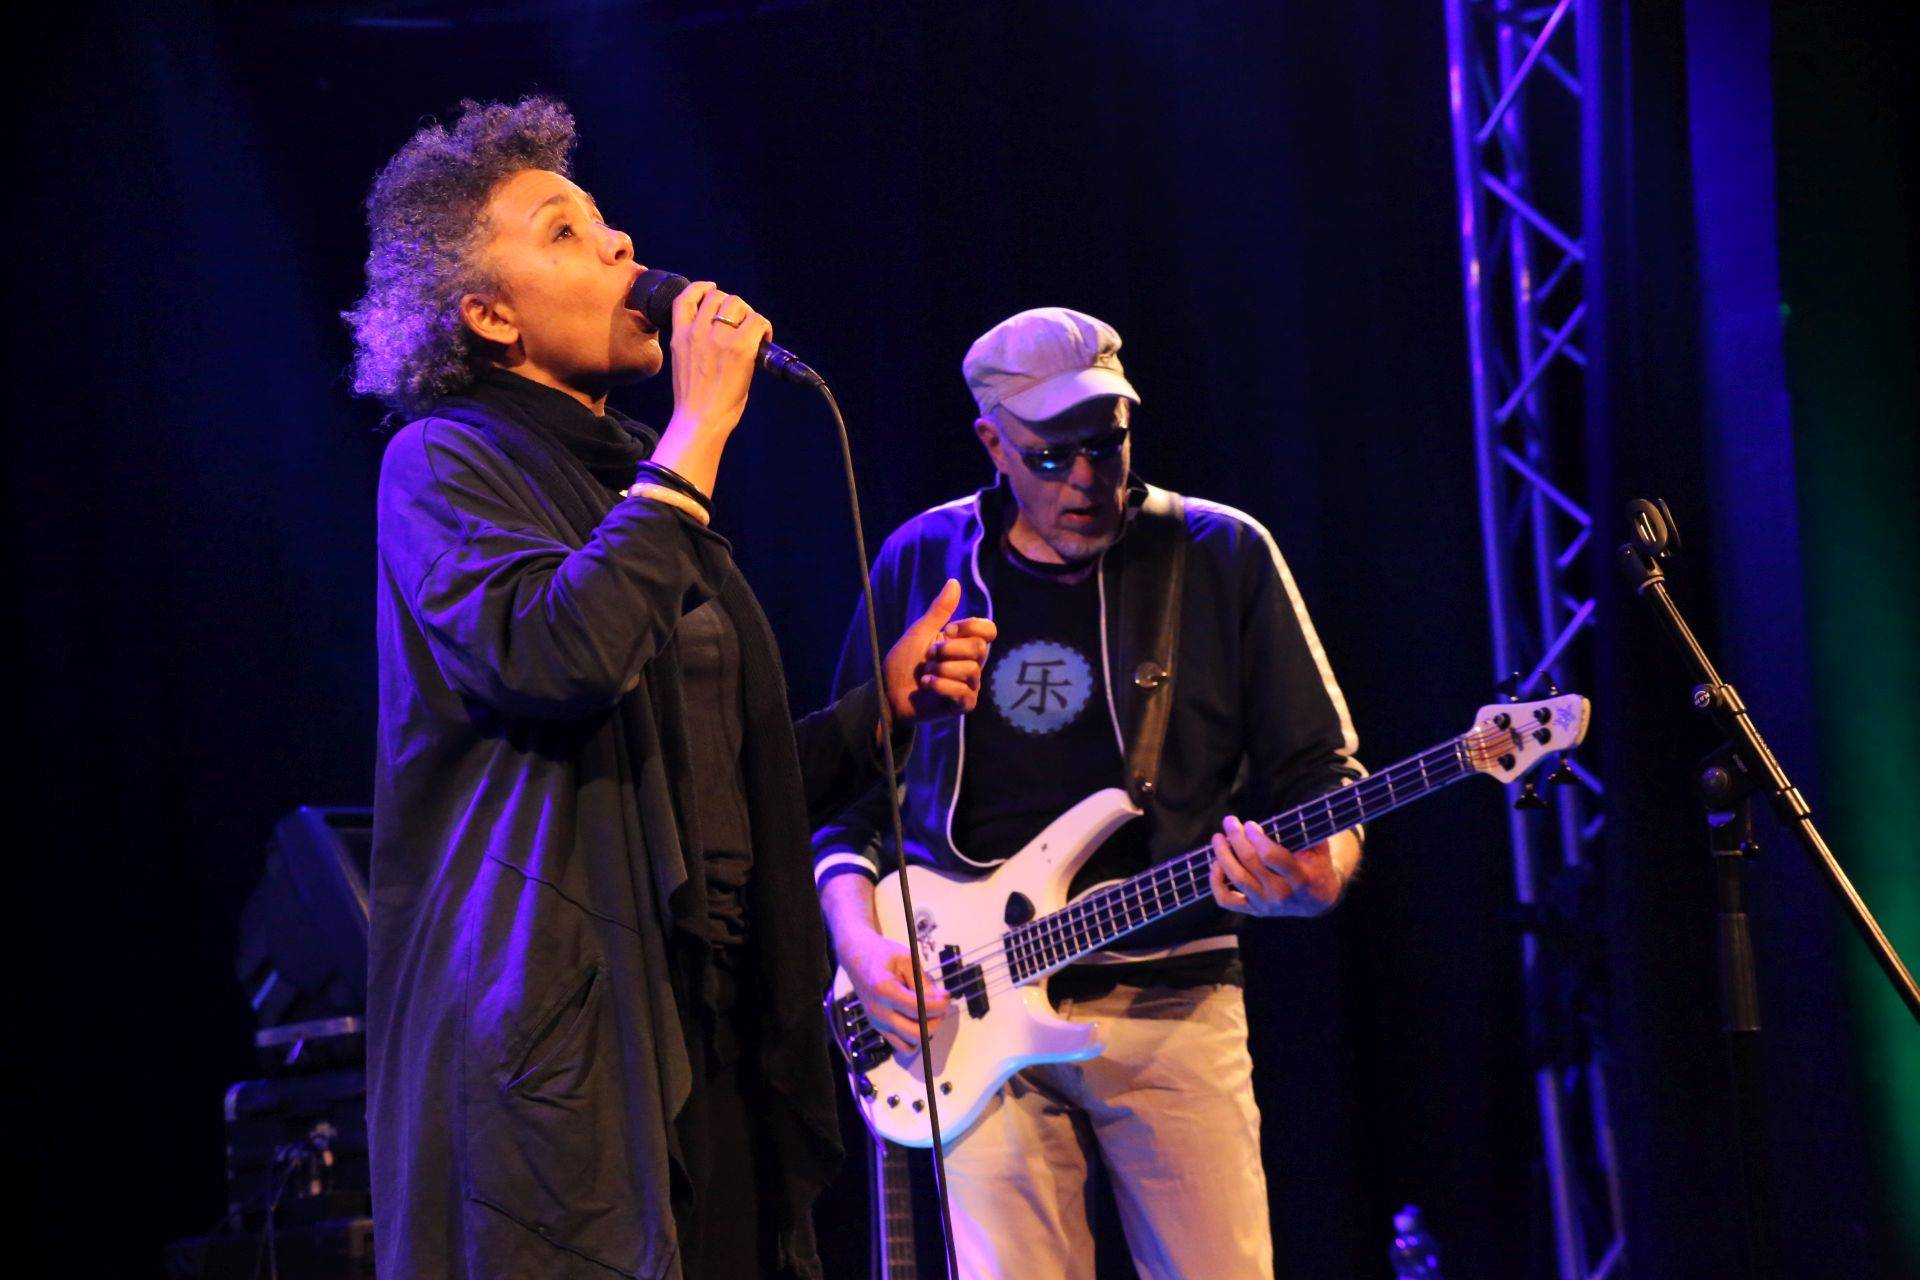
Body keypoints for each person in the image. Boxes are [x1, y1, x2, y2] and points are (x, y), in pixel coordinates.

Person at [349, 97, 994, 1280]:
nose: (620, 245)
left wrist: (881, 711)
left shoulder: (629, 486)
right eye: (562, 231)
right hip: (572, 1049)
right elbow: (558, 653)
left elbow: (707, 788)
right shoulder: (443, 461)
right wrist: (696, 429)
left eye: (604, 220)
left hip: (713, 1015)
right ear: (488, 315)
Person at [812, 308, 1366, 1279]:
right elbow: (847, 802)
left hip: (1174, 1000)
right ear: (992, 443)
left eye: (1105, 445)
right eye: (1050, 454)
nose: (1085, 479)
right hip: (970, 1021)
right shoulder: (921, 560)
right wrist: (862, 948)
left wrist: (1312, 879)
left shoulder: (1219, 552)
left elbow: (1325, 776)